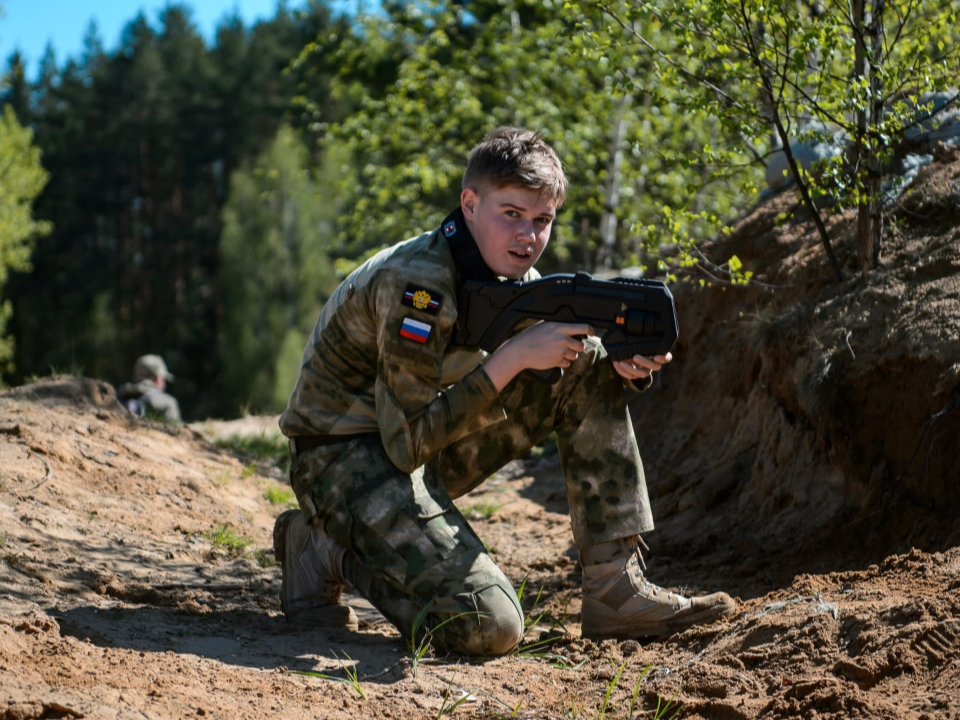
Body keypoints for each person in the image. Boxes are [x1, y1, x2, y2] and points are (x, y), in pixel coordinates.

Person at [274, 127, 734, 655]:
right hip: (337, 459)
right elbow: (406, 446)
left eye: (543, 220)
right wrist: (514, 358)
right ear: (469, 205)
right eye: (511, 214)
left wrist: (623, 369)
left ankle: (614, 590)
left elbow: (555, 377)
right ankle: (325, 547)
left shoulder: (511, 278)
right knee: (488, 626)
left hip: (406, 447)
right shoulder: (417, 287)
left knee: (585, 362)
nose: (528, 236)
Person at [116, 354, 182, 424]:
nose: (164, 384)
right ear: (157, 379)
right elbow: (177, 431)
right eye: (163, 380)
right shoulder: (167, 403)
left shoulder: (119, 395)